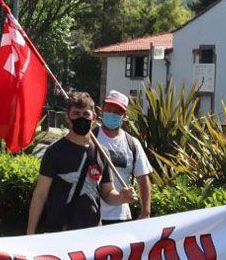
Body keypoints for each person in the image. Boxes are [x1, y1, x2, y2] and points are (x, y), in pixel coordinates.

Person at [26, 91, 135, 234]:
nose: (81, 118)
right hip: (58, 232)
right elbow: (40, 194)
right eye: (76, 114)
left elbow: (107, 192)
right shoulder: (55, 151)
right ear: (67, 117)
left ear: (94, 117)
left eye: (86, 114)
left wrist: (121, 197)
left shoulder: (102, 153)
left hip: (91, 233)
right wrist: (30, 233)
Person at [95, 90, 152, 224]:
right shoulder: (90, 138)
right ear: (102, 109)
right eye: (109, 109)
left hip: (120, 217)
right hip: (92, 214)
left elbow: (143, 179)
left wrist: (146, 212)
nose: (112, 114)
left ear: (124, 116)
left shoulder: (132, 143)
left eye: (117, 112)